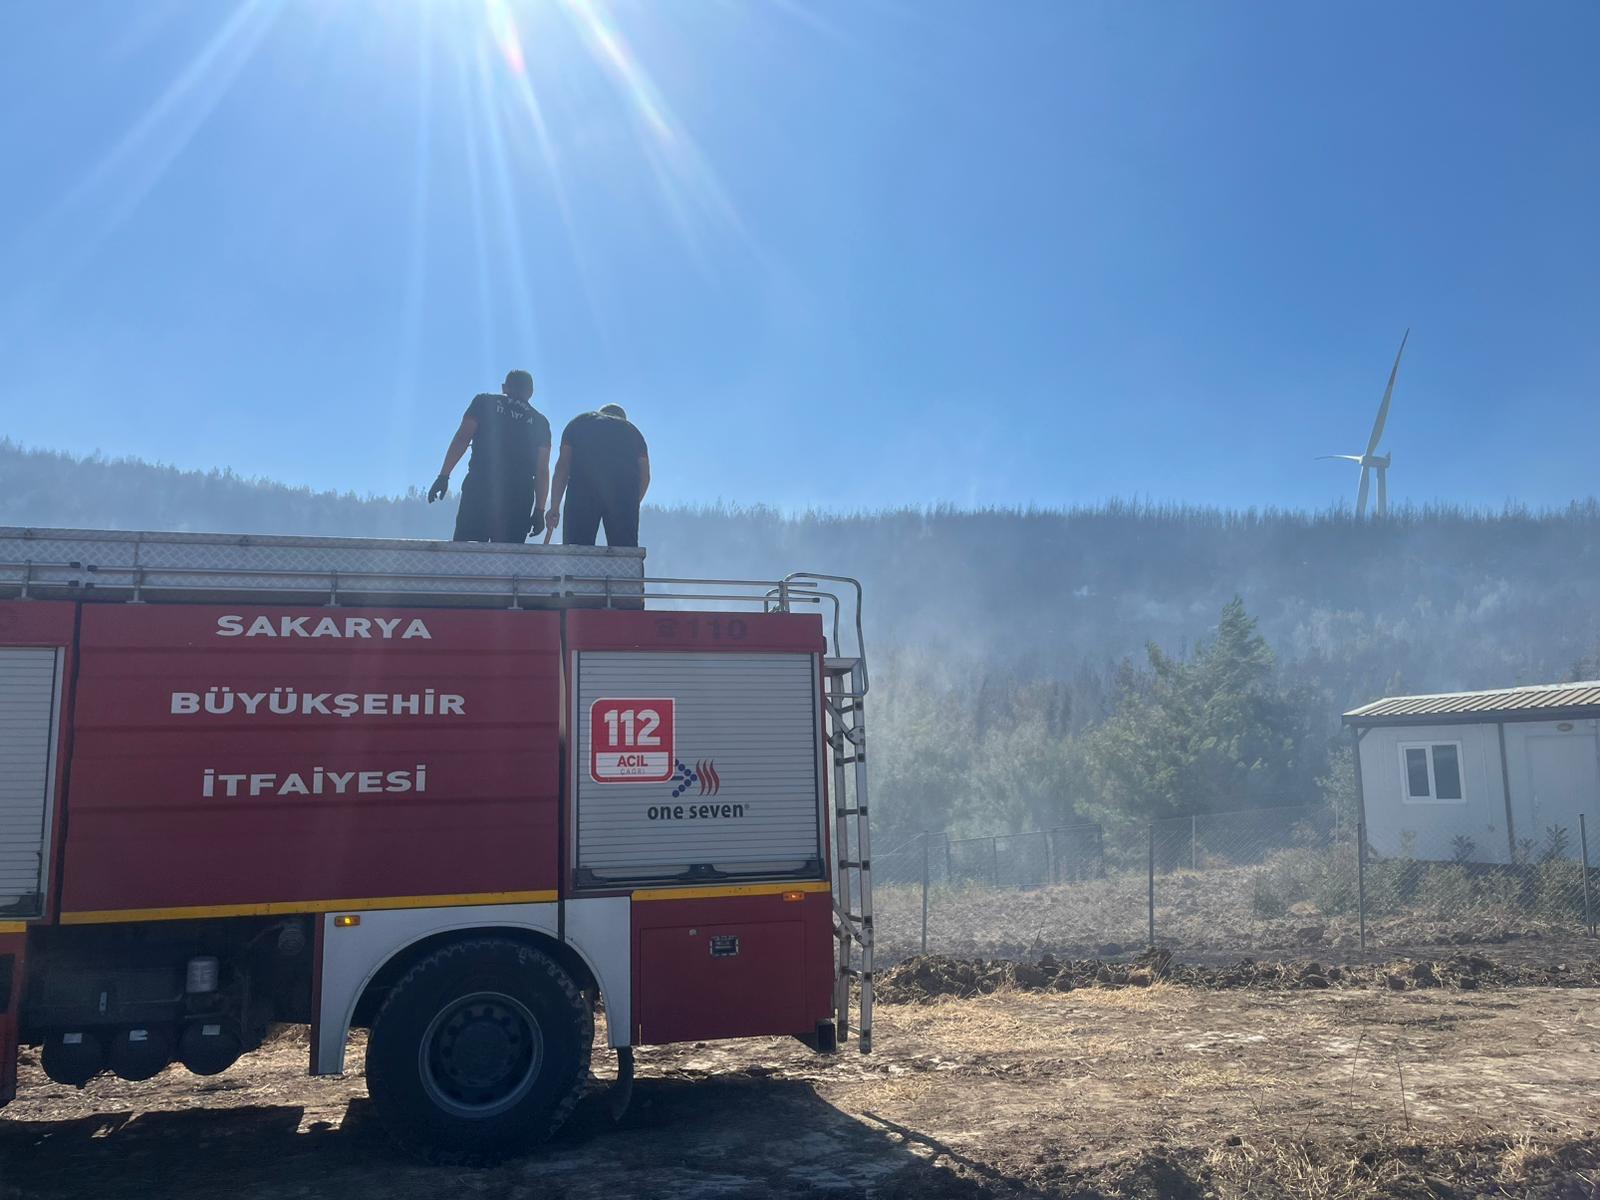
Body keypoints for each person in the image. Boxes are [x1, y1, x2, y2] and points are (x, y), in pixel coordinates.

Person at [427, 370, 551, 543]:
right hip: (519, 496)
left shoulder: (484, 402)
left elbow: (462, 438)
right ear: (531, 392)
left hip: (481, 487)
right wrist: (539, 510)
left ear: (504, 387)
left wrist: (444, 475)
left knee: (467, 554)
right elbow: (542, 470)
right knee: (509, 561)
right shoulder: (541, 422)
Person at [543, 404, 650, 547]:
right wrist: (632, 505)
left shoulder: (578, 423)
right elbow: (645, 476)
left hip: (583, 490)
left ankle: (577, 565)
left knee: (577, 550)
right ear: (622, 418)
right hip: (623, 493)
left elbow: (563, 466)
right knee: (625, 553)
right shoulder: (633, 432)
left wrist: (554, 507)